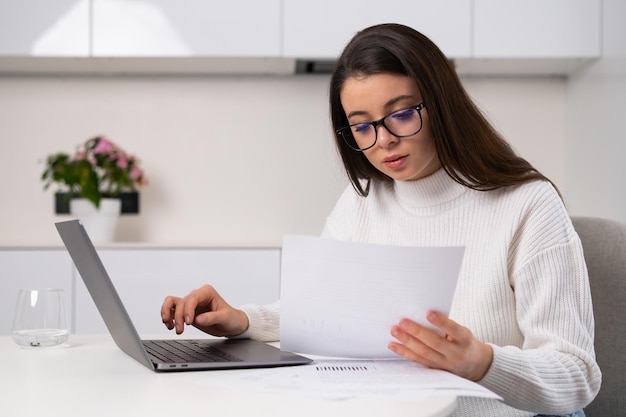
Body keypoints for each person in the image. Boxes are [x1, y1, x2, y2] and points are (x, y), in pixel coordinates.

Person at [161, 23, 601, 417]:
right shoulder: (363, 202)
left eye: (403, 113)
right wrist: (242, 320)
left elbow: (577, 376)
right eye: (362, 125)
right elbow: (320, 315)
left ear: (441, 104)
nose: (385, 140)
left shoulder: (527, 204)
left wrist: (481, 362)